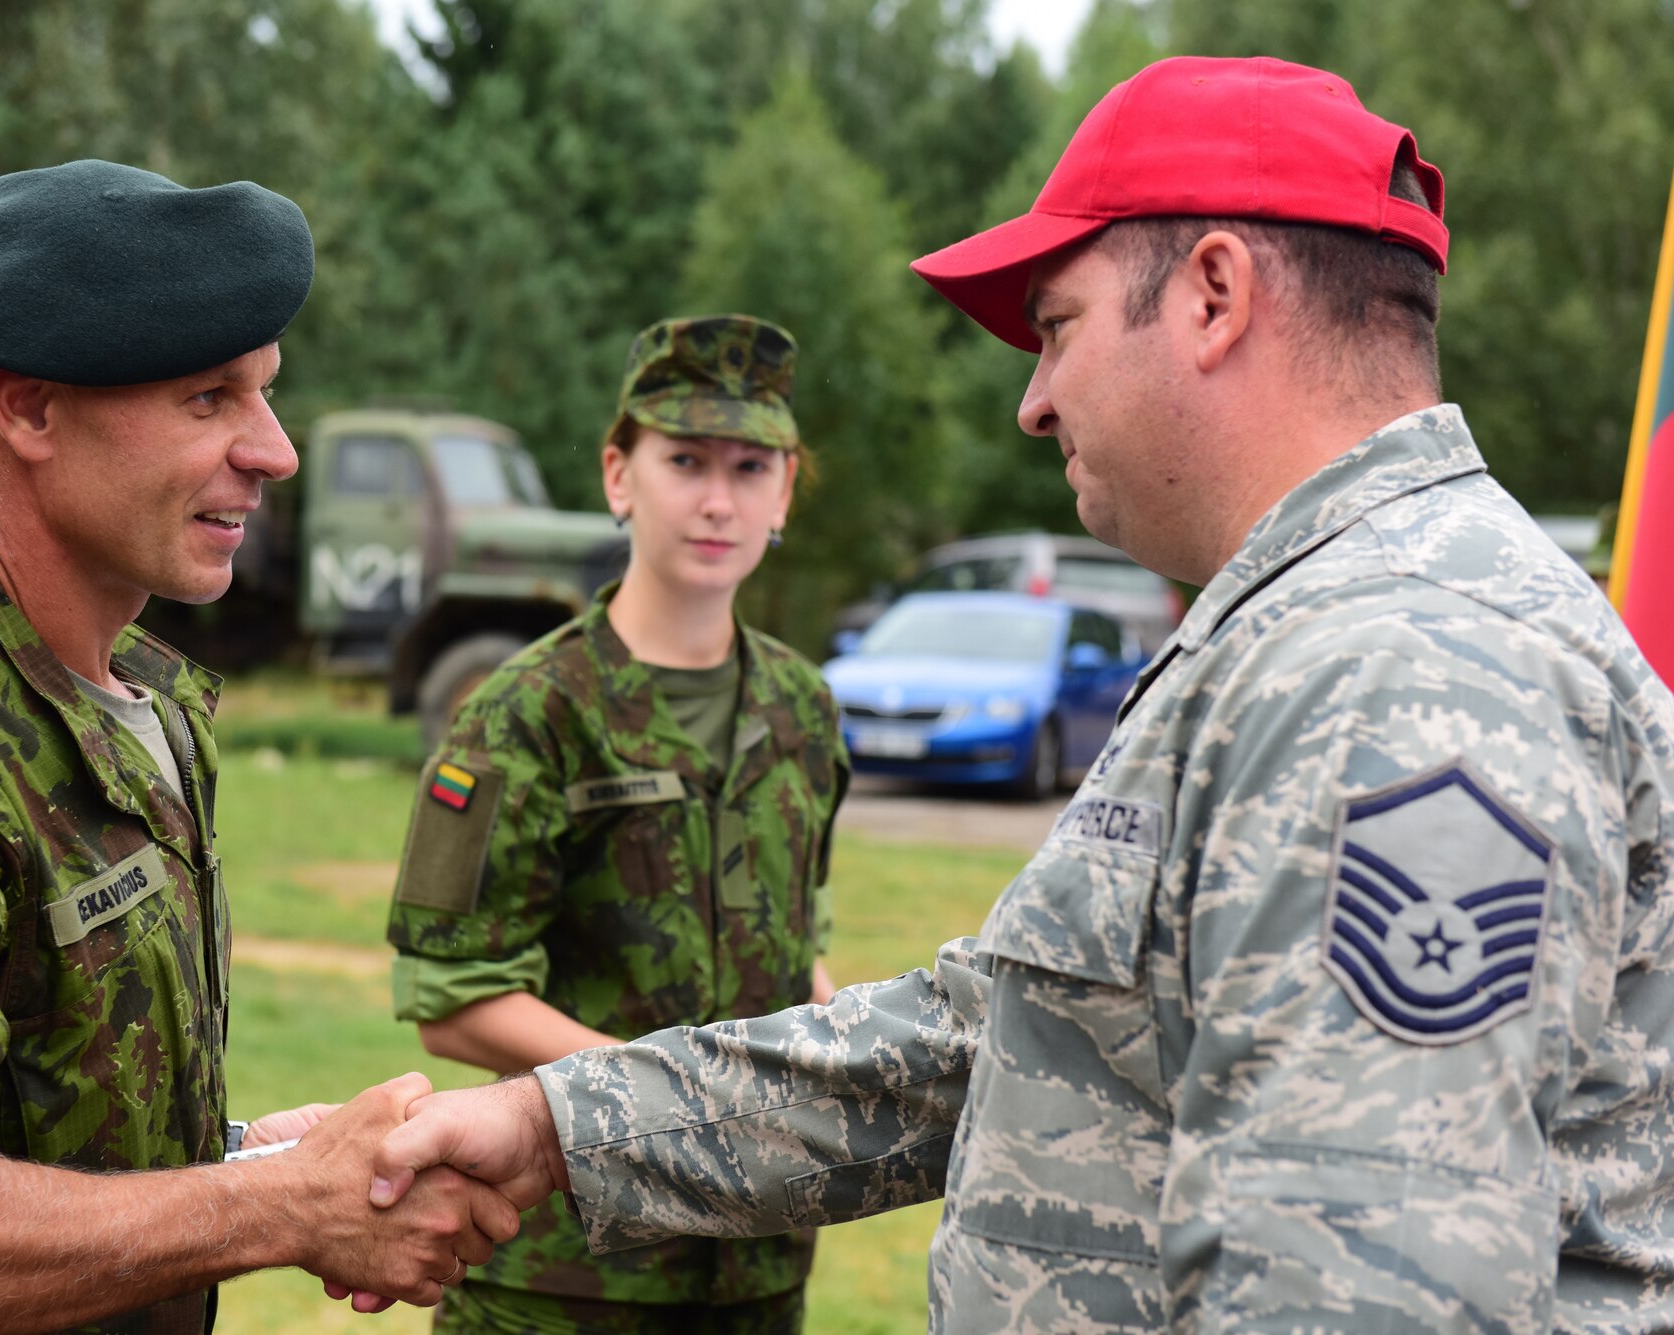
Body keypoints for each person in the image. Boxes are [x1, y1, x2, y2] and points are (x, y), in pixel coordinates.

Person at [367, 56, 1674, 1332]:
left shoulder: (1392, 670)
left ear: (1214, 293)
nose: (1032, 404)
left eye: (1056, 326)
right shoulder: (1306, 633)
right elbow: (1004, 1033)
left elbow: (1351, 1287)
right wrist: (556, 1122)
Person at [0, 159, 517, 1335]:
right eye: (209, 399)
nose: (274, 451)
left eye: (266, 393)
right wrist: (282, 1205)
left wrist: (236, 1162)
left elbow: (14, 1124)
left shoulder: (113, 701)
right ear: (28, 407)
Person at [384, 314, 850, 1334]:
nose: (717, 498)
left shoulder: (800, 707)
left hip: (756, 1265)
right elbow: (452, 996)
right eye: (683, 460)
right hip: (562, 1278)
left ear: (783, 493)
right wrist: (674, 1108)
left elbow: (793, 950)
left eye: (750, 465)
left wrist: (832, 1045)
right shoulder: (528, 709)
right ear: (617, 475)